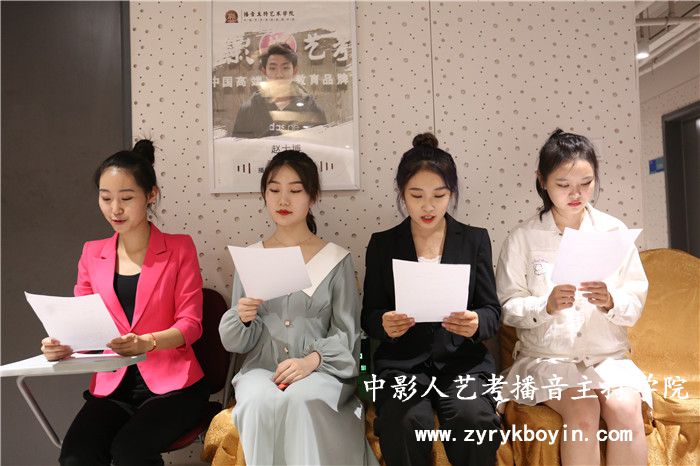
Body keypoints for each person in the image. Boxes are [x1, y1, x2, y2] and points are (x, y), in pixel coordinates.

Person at [41, 140, 209, 466]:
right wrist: (62, 345)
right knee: (76, 456)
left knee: (130, 450)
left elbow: (191, 325)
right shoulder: (92, 253)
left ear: (151, 195)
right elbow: (85, 328)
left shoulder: (179, 248)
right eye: (106, 198)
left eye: (126, 198)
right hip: (113, 387)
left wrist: (147, 342)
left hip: (175, 387)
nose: (115, 209)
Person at [496, 129, 651, 465]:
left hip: (607, 358)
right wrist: (545, 306)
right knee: (583, 410)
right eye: (563, 184)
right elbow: (508, 307)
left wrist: (611, 301)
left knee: (626, 409)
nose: (576, 193)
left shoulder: (613, 232)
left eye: (586, 182)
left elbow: (635, 301)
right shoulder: (523, 238)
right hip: (547, 359)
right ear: (542, 181)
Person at [218, 150, 377, 465]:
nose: (283, 199)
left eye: (295, 190)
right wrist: (243, 318)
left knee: (303, 398)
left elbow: (348, 333)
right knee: (258, 402)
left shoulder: (336, 259)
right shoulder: (251, 258)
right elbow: (236, 343)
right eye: (274, 190)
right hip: (261, 370)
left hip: (323, 371)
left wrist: (312, 362)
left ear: (312, 197)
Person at [361, 133, 502, 466]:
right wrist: (384, 323)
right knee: (404, 420)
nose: (428, 206)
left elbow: (492, 311)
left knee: (473, 419)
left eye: (439, 195)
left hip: (462, 363)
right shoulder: (383, 244)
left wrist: (476, 322)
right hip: (402, 365)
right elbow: (369, 314)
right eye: (416, 195)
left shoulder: (474, 240)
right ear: (402, 194)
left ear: (451, 193)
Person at [232, 43, 327, 138]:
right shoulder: (249, 109)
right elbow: (239, 146)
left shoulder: (312, 108)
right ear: (264, 71)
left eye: (285, 68)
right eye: (273, 68)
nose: (279, 75)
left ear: (294, 71)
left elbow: (320, 145)